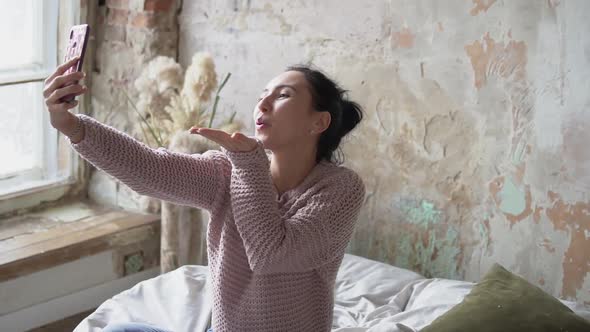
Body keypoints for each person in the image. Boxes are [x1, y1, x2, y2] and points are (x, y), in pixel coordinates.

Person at [43, 57, 366, 332]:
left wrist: (250, 163)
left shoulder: (341, 190)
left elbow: (270, 254)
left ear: (319, 122)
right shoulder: (229, 170)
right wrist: (71, 125)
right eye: (261, 95)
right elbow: (149, 169)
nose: (263, 104)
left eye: (283, 96)